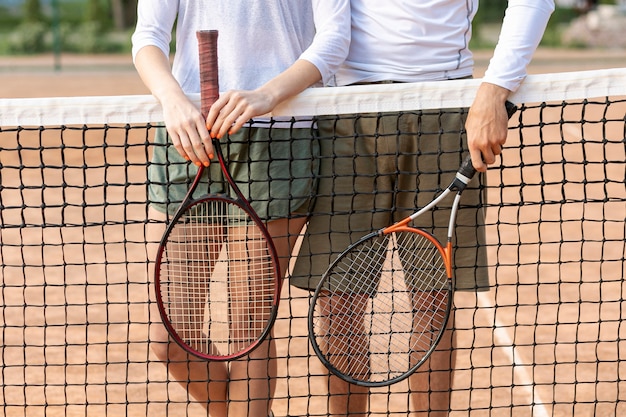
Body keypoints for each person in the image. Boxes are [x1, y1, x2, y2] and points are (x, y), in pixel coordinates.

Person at [291, 1, 555, 416]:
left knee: (434, 300)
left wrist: (496, 86)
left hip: (444, 101)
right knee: (338, 301)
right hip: (346, 110)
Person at [131, 1, 350, 416]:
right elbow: (148, 35)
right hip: (189, 135)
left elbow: (334, 38)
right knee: (169, 338)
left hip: (280, 136)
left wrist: (268, 94)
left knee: (248, 329)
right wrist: (172, 98)